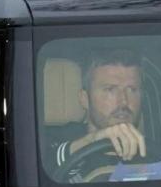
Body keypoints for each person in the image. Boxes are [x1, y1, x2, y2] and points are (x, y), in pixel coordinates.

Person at [48, 49, 147, 179]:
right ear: (84, 99)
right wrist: (91, 141)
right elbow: (43, 169)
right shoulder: (54, 139)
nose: (123, 101)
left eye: (132, 90)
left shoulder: (154, 152)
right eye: (110, 89)